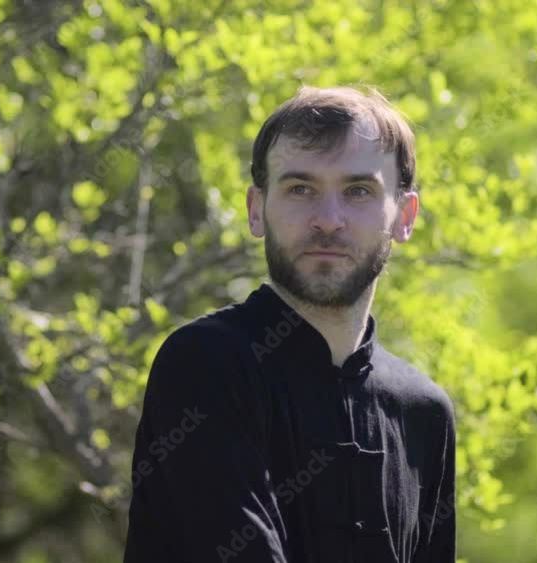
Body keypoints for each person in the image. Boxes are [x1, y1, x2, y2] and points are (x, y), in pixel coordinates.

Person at [123, 85, 456, 563]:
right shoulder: (205, 365)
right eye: (301, 189)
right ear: (256, 210)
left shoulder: (424, 412)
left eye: (358, 191)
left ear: (404, 216)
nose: (328, 220)